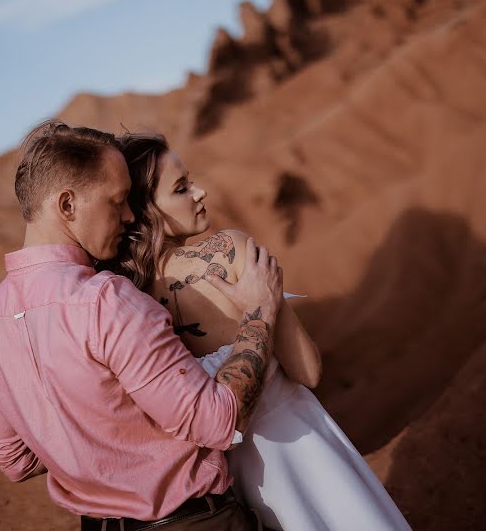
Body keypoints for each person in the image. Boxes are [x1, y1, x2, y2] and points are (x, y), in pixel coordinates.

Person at [0, 120, 287, 530]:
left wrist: (77, 430)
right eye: (117, 201)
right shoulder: (106, 301)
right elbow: (217, 421)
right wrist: (260, 313)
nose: (129, 215)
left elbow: (14, 461)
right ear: (67, 205)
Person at [106, 130, 412, 531]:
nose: (200, 192)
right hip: (302, 447)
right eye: (181, 188)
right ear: (146, 209)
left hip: (234, 481)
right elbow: (308, 370)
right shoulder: (232, 251)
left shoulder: (125, 300)